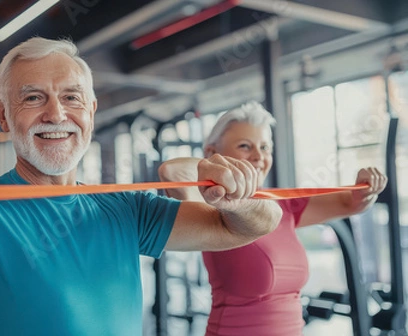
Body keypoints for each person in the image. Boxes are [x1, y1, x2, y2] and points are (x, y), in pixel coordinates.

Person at [0, 38, 283, 335]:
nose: (56, 113)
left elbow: (246, 227)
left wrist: (238, 197)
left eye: (72, 97)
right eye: (33, 97)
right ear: (4, 115)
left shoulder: (126, 209)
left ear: (91, 111)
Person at [158, 101, 388, 336]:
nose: (258, 156)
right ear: (213, 153)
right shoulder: (212, 205)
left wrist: (368, 188)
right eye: (245, 146)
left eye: (265, 147)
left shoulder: (282, 206)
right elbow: (172, 172)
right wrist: (218, 170)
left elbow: (351, 202)